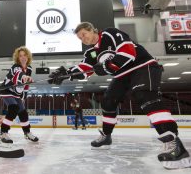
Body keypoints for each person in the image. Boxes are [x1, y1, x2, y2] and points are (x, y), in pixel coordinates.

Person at [48, 22, 191, 169]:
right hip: (122, 75)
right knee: (108, 101)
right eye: (80, 38)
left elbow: (128, 52)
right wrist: (66, 73)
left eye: (84, 34)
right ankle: (106, 136)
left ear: (92, 30)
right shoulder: (91, 53)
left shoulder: (109, 34)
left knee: (144, 95)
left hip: (142, 66)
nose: (83, 39)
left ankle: (173, 143)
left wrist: (107, 66)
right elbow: (86, 68)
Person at [0, 46, 39, 147]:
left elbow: (25, 86)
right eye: (20, 56)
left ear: (28, 56)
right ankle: (3, 133)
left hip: (17, 93)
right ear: (18, 57)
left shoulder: (29, 68)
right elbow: (18, 74)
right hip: (7, 90)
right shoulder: (15, 66)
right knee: (14, 108)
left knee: (23, 112)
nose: (23, 57)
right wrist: (25, 77)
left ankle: (27, 133)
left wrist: (23, 97)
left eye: (24, 55)